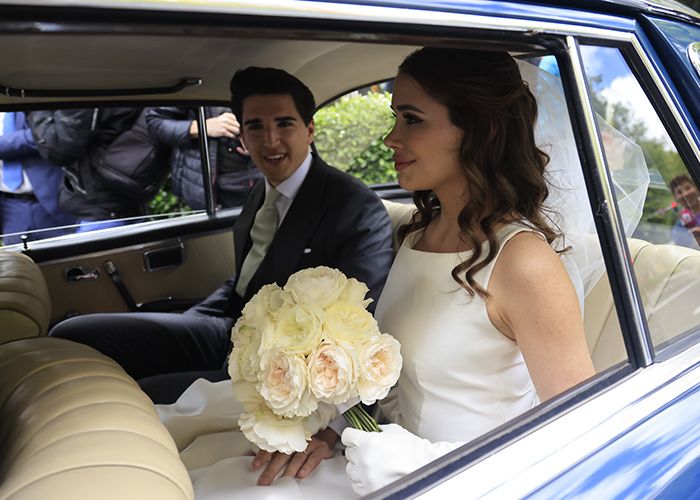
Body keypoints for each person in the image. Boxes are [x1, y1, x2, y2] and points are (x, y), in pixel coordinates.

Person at [151, 48, 600, 499]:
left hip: (456, 480)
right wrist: (335, 430)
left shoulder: (524, 263)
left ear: (482, 130)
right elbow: (392, 382)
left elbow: (582, 441)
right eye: (394, 118)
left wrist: (420, 465)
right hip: (373, 453)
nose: (391, 138)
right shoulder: (419, 235)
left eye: (412, 119)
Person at [49, 68, 393, 417]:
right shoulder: (261, 191)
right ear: (242, 135)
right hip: (227, 328)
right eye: (256, 126)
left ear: (309, 130)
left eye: (285, 124)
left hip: (275, 366)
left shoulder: (352, 207)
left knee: (140, 396)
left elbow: (358, 321)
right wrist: (191, 320)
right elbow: (246, 277)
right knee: (74, 333)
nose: (270, 140)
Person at [25, 108, 148, 232]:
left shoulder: (85, 91)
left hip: (101, 209)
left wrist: (34, 108)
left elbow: (58, 150)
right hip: (126, 196)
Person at [145, 107, 263, 210]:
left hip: (264, 183)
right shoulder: (195, 85)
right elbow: (155, 122)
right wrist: (202, 127)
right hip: (210, 192)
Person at [0, 111, 76, 245]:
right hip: (9, 208)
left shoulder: (30, 95)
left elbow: (49, 134)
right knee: (18, 263)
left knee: (68, 259)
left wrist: (3, 145)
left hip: (51, 202)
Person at [669, 174, 700, 248]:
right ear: (675, 198)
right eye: (679, 192)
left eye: (688, 188)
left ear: (696, 188)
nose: (685, 194)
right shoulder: (679, 226)